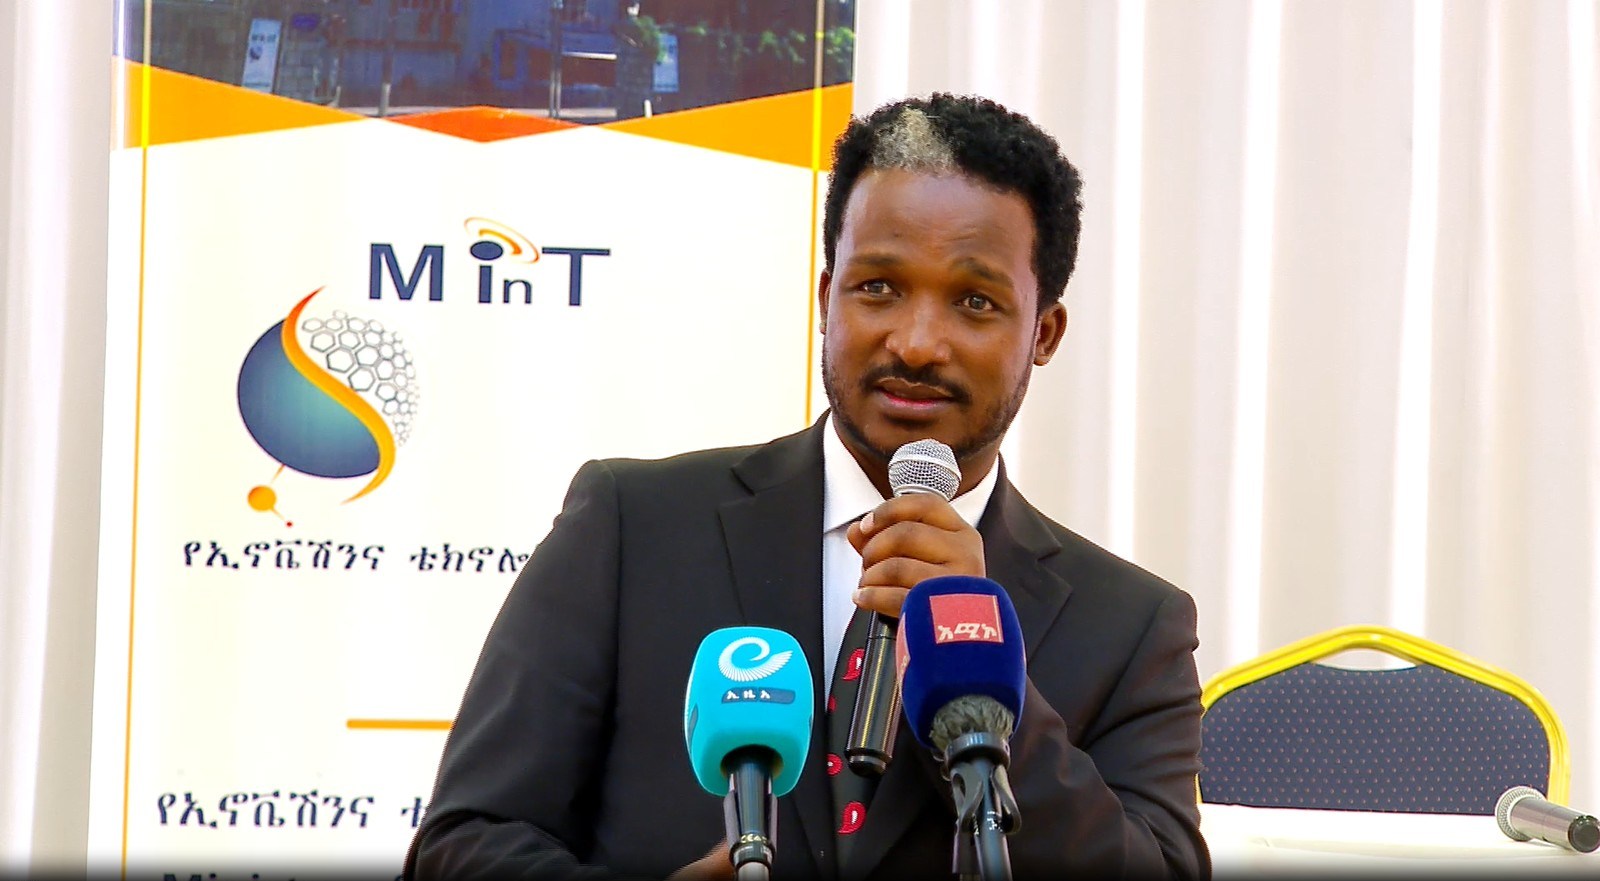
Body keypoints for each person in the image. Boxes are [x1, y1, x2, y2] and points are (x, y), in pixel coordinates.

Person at [405, 93, 1208, 880]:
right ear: (826, 298)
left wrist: (983, 674)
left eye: (974, 301)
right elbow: (463, 843)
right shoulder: (632, 528)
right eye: (879, 286)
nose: (917, 342)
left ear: (1043, 332)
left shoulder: (1133, 628)